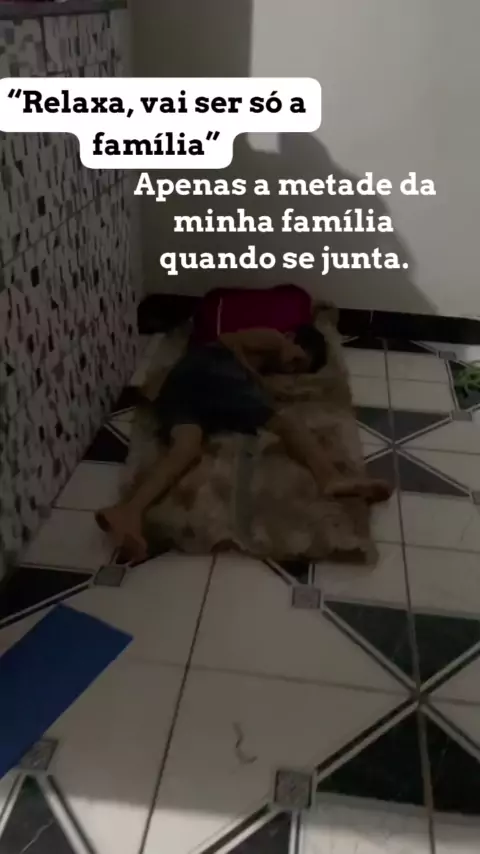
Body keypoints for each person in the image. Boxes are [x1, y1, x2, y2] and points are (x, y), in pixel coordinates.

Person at [96, 326, 392, 562]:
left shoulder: (267, 366)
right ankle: (330, 477)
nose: (292, 368)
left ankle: (129, 511)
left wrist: (260, 382)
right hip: (212, 369)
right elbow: (228, 340)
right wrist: (254, 380)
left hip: (185, 390)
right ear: (291, 338)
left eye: (299, 369)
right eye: (297, 360)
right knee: (287, 423)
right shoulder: (274, 338)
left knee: (186, 448)